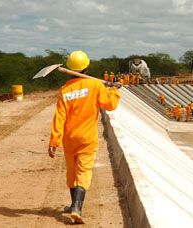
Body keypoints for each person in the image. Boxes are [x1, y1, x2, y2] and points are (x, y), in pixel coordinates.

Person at [48, 50, 120, 224]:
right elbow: (110, 105)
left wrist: (54, 141)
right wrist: (114, 91)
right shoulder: (95, 86)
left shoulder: (65, 89)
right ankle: (77, 208)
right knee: (83, 172)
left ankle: (73, 204)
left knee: (72, 172)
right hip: (87, 138)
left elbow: (60, 117)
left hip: (70, 138)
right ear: (86, 68)